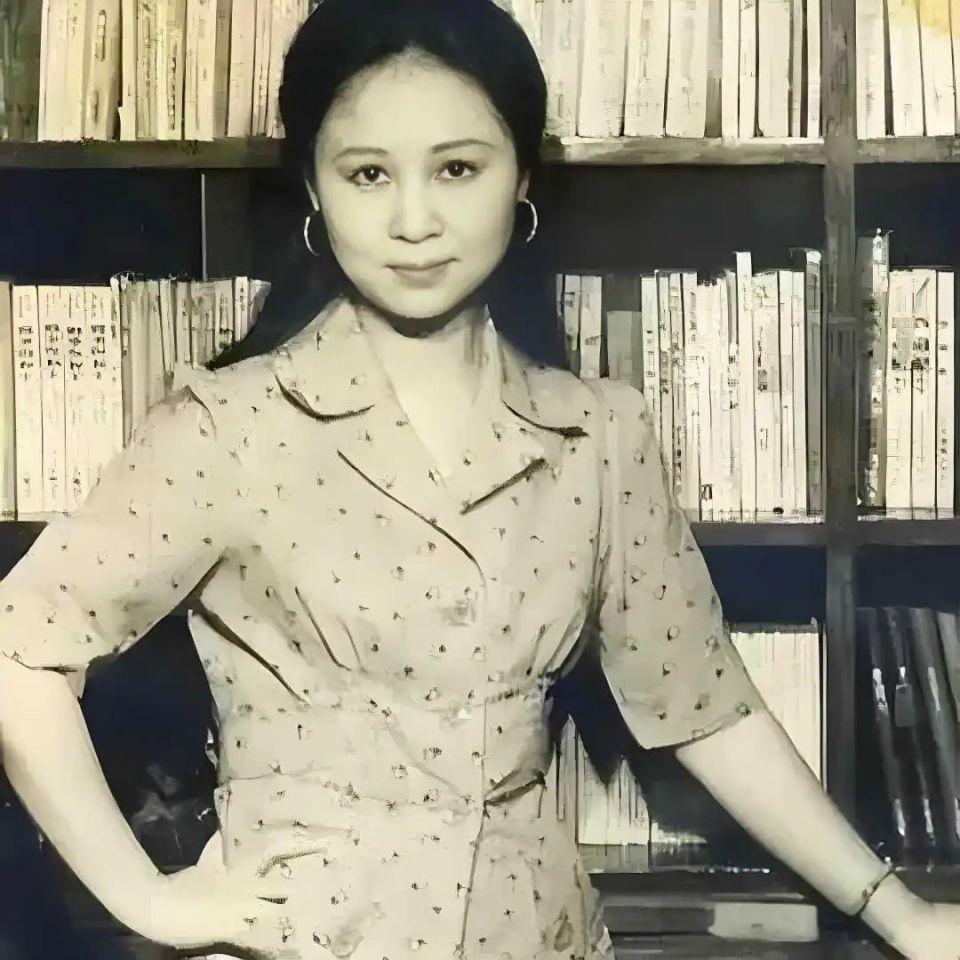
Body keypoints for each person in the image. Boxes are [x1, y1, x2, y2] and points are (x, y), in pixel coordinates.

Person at [0, 1, 958, 958]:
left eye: (458, 168)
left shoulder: (599, 435)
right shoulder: (227, 427)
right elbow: (19, 655)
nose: (415, 222)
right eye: (368, 174)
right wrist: (150, 902)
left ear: (522, 178)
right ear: (314, 189)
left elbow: (708, 711)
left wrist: (902, 914)